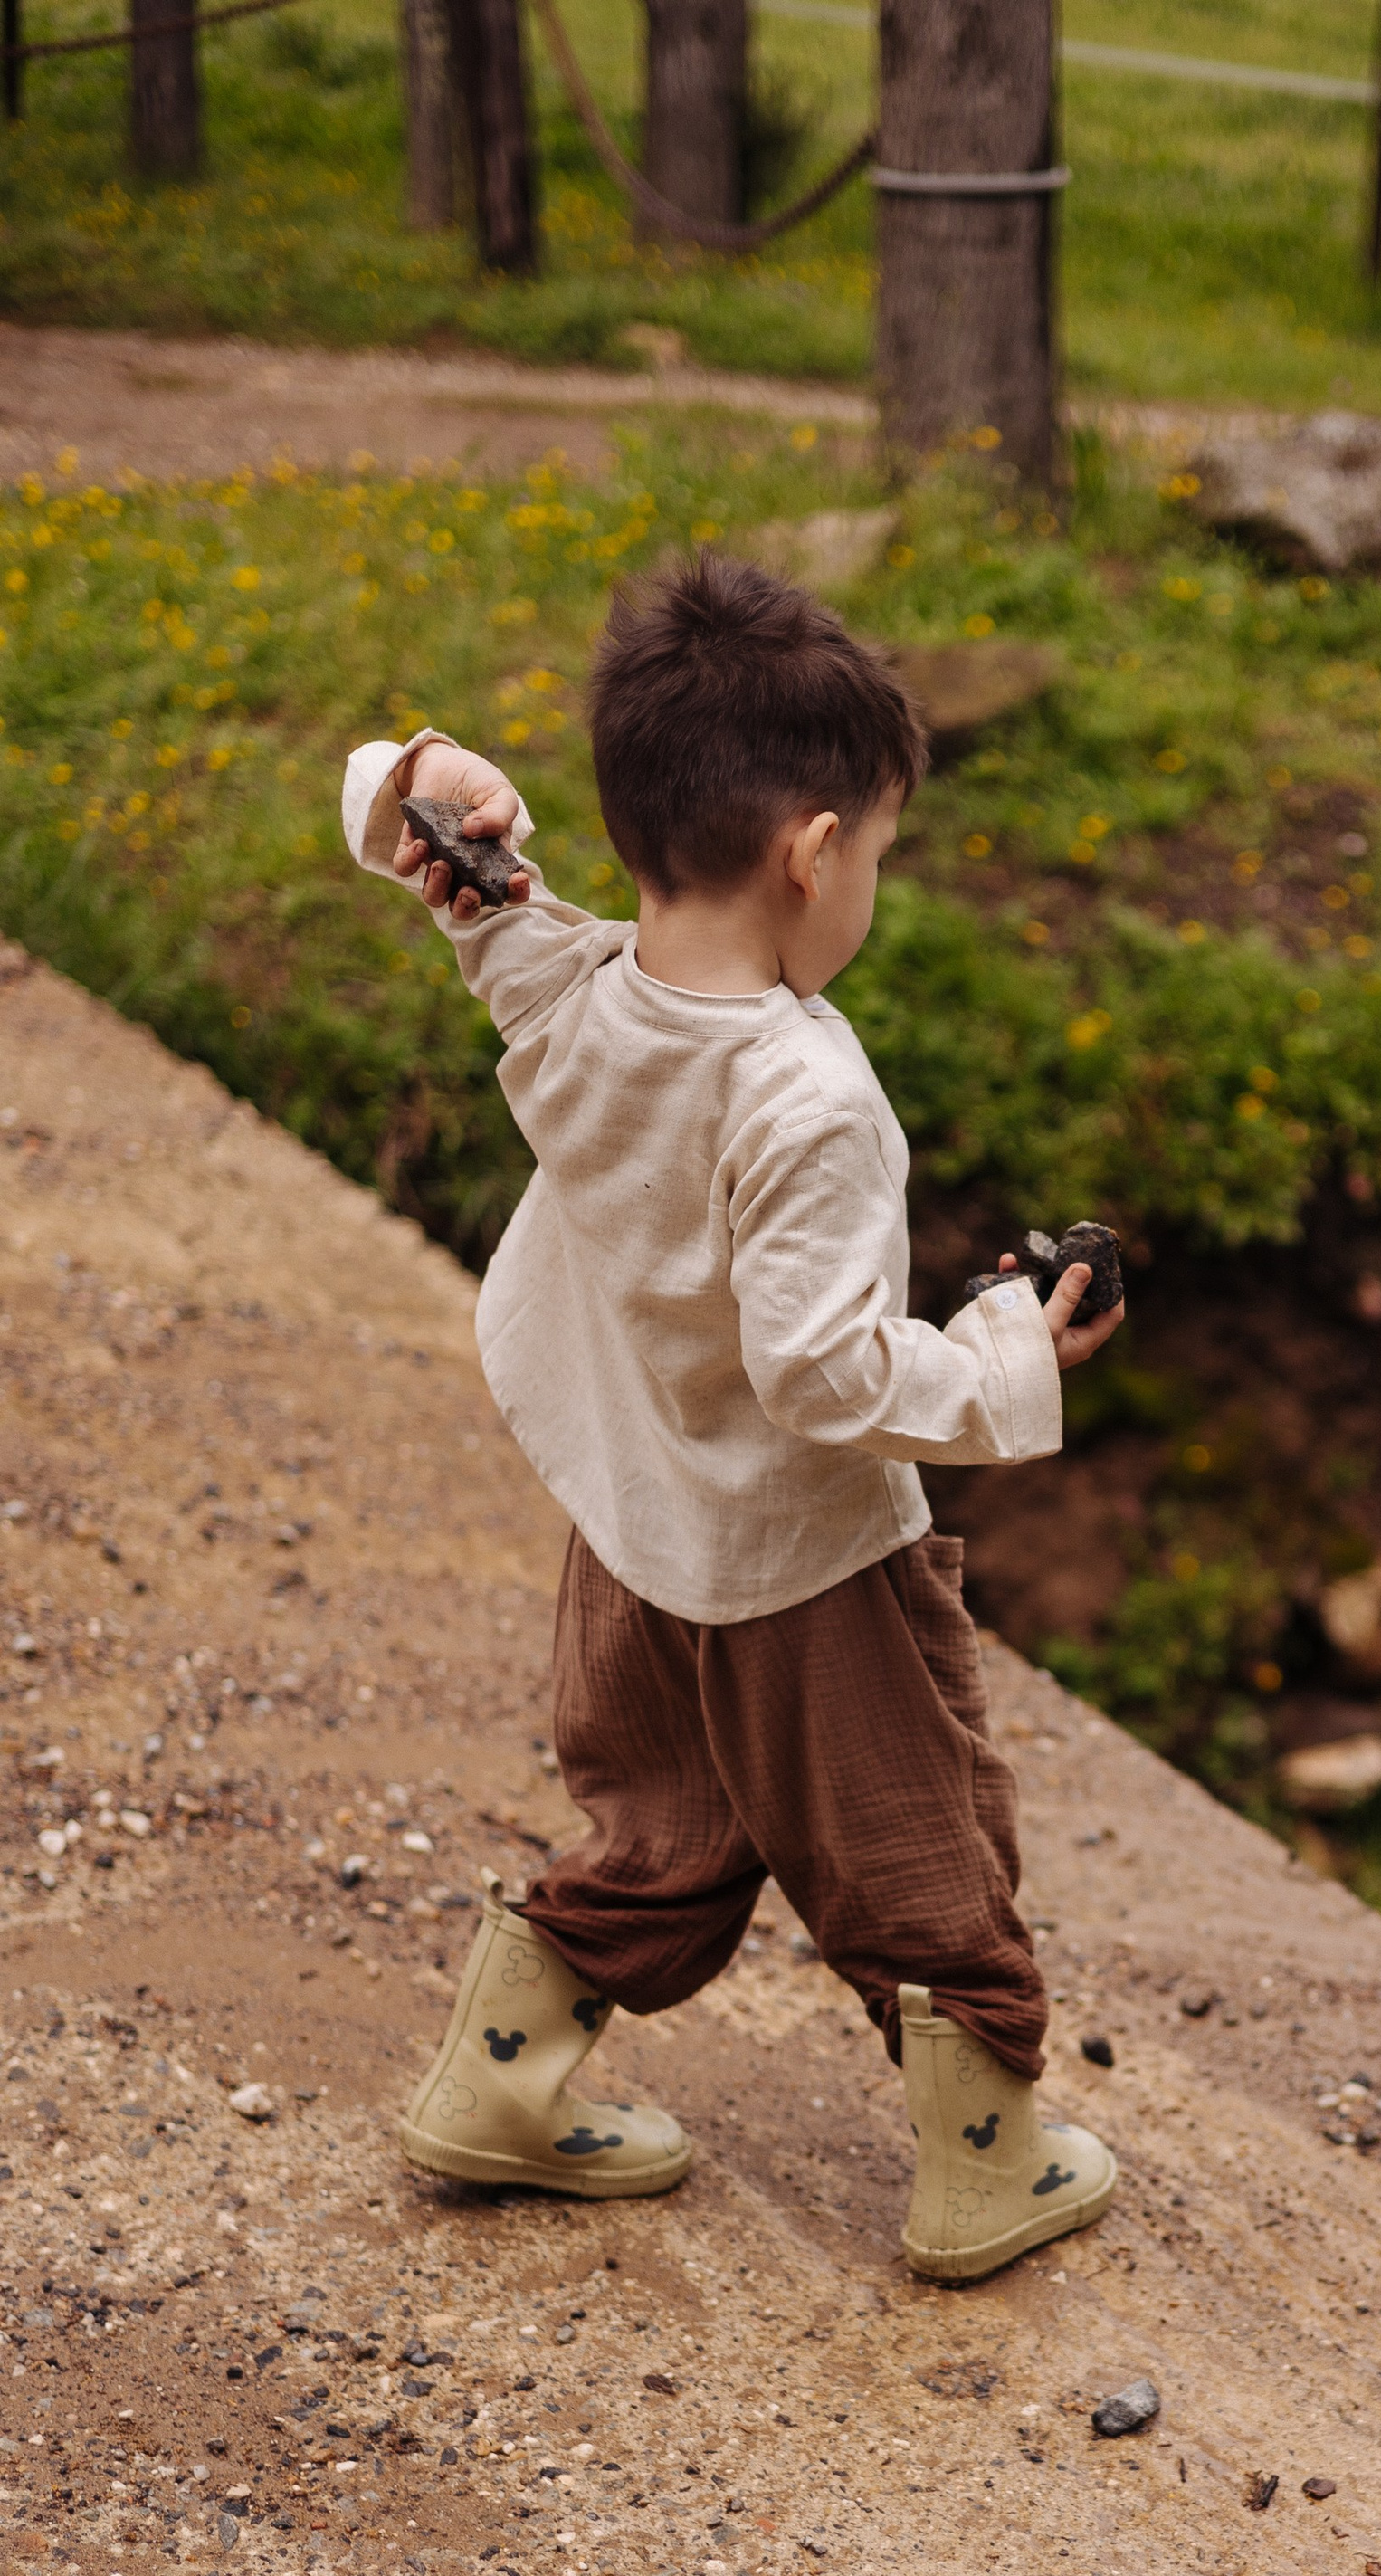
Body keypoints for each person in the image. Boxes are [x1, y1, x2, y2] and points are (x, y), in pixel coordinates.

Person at [338, 550, 1123, 2283]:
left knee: (665, 1835)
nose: (871, 890)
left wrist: (427, 777)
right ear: (815, 853)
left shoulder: (562, 987)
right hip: (801, 1565)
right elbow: (824, 1375)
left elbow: (422, 840)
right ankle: (985, 2173)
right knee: (924, 1851)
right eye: (881, 858)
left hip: (631, 1523)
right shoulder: (806, 1094)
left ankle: (494, 2090)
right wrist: (1010, 1349)